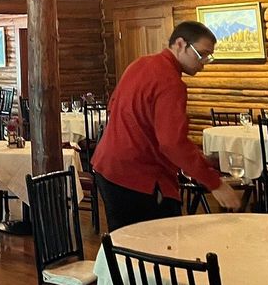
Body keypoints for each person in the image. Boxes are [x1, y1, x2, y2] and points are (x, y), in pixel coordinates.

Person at [93, 20, 241, 230]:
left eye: (209, 57)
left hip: (107, 169)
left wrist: (200, 160)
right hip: (138, 176)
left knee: (123, 244)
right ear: (180, 44)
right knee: (158, 243)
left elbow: (114, 107)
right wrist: (215, 183)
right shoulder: (171, 82)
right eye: (202, 54)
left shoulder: (139, 64)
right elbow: (172, 143)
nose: (204, 62)